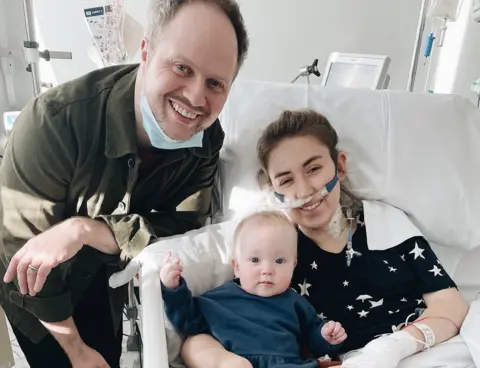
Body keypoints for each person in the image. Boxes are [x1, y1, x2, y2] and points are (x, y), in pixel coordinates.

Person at [0, 0, 248, 367]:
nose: (196, 98)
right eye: (181, 67)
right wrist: (75, 350)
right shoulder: (52, 124)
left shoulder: (206, 140)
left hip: (103, 273)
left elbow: (184, 223)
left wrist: (87, 230)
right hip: (37, 292)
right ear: (146, 51)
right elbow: (23, 261)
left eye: (215, 83)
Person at [180, 109, 471, 368]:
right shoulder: (275, 251)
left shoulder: (386, 223)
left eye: (314, 169)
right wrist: (222, 361)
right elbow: (199, 338)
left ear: (340, 166)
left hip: (434, 347)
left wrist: (395, 346)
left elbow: (452, 305)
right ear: (272, 189)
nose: (304, 190)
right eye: (286, 180)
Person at [160, 210, 347, 368]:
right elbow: (188, 321)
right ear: (237, 267)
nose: (267, 270)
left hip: (285, 364)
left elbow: (312, 339)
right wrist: (173, 287)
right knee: (194, 343)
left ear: (293, 265)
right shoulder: (217, 300)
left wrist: (325, 336)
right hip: (235, 359)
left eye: (279, 261)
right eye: (255, 260)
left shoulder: (295, 302)